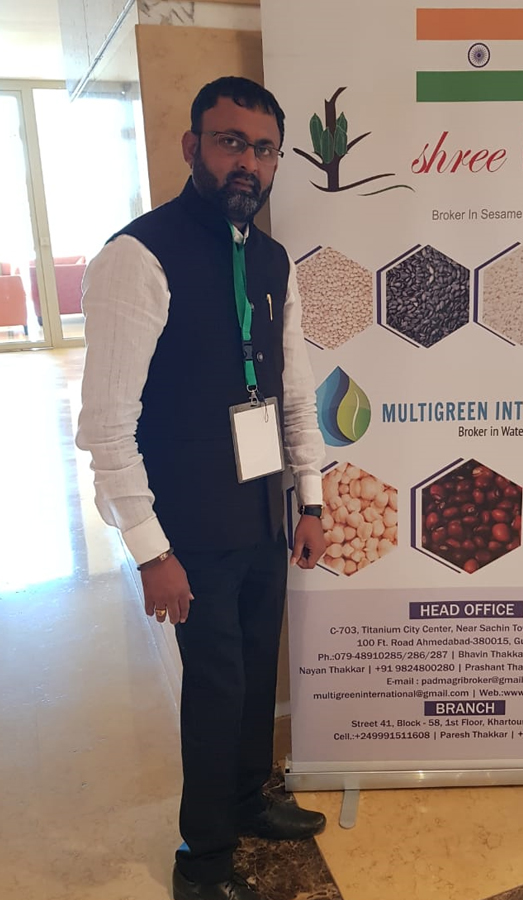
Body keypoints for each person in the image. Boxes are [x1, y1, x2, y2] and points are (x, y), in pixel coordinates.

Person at [76, 76, 328, 900]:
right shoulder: (138, 257)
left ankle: (249, 799)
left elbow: (294, 391)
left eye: (263, 149)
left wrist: (311, 498)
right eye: (230, 142)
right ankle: (205, 859)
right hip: (190, 528)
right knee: (216, 690)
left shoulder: (273, 259)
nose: (247, 162)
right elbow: (105, 427)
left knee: (255, 670)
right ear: (193, 147)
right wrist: (152, 552)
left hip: (262, 512)